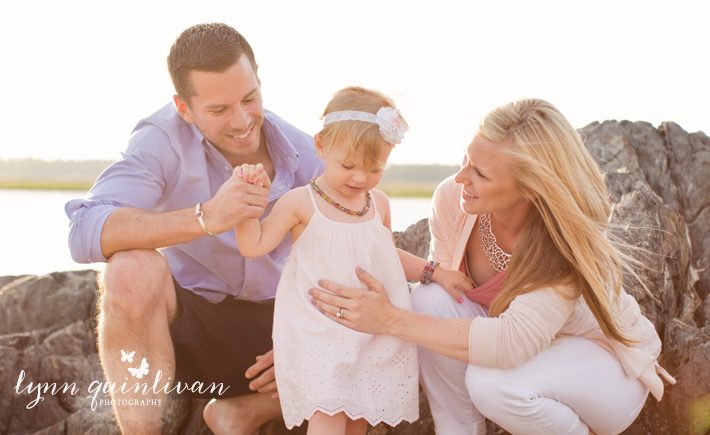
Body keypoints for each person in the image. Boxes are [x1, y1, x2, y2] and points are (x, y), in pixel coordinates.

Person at [309, 98, 676, 435]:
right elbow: (442, 298)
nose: (461, 178)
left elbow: (511, 344)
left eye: (481, 174)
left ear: (531, 189)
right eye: (465, 160)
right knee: (429, 298)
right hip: (525, 360)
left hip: (605, 372)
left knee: (492, 385)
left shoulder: (560, 245)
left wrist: (389, 319)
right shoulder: (454, 199)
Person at [65, 23, 323, 435]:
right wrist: (205, 217)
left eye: (249, 98)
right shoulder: (161, 139)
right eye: (219, 110)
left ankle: (248, 410)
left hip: (287, 334)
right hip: (193, 333)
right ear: (183, 108)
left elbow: (354, 261)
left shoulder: (310, 154)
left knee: (403, 311)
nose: (242, 121)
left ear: (259, 80)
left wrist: (309, 335)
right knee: (129, 268)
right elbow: (85, 230)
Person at [233, 86, 474, 435]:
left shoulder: (378, 203)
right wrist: (246, 207)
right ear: (321, 146)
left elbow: (386, 255)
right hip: (318, 331)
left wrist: (434, 272)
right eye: (348, 165)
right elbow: (253, 245)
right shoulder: (300, 203)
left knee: (359, 416)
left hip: (370, 331)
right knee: (328, 414)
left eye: (375, 169)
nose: (360, 178)